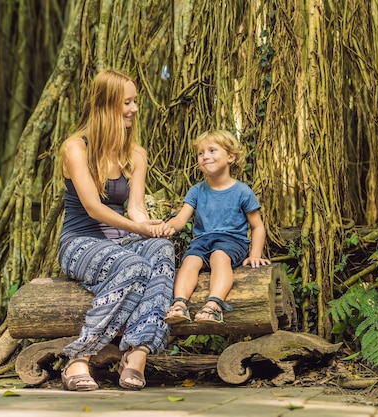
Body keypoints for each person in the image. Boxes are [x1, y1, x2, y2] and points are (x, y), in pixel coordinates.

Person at [57, 68, 175, 391]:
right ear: (106, 104)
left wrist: (150, 226)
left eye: (135, 101)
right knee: (135, 266)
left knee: (162, 250)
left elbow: (136, 208)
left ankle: (137, 353)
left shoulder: (135, 154)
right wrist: (138, 227)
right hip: (79, 244)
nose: (135, 109)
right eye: (128, 102)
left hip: (121, 243)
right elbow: (95, 208)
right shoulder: (75, 148)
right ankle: (79, 358)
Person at [164, 129, 270, 324]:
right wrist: (166, 228)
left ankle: (214, 305)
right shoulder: (196, 191)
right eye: (201, 153)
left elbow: (257, 227)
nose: (205, 157)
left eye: (212, 150)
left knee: (219, 256)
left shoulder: (242, 192)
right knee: (190, 260)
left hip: (232, 242)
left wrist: (255, 254)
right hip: (202, 240)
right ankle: (179, 304)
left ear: (230, 157)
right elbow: (180, 220)